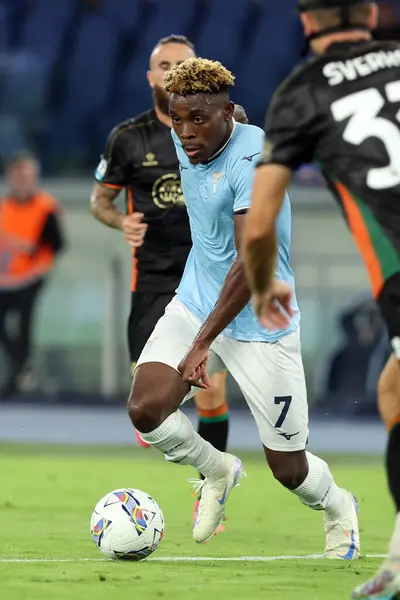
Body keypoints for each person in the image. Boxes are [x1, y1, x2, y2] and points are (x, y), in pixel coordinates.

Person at [127, 56, 359, 553]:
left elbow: (250, 265)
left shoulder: (252, 161)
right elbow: (194, 108)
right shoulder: (192, 127)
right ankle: (217, 470)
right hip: (195, 300)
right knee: (146, 408)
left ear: (227, 113)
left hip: (261, 322)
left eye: (199, 120)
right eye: (178, 118)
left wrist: (201, 345)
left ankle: (340, 504)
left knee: (289, 469)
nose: (186, 132)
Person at [242, 0, 400, 595]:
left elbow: (257, 228)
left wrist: (263, 284)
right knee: (393, 387)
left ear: (307, 23)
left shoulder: (303, 92)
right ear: (374, 12)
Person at [91, 35, 247, 529]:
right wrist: (121, 223)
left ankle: (212, 493)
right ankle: (208, 467)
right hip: (153, 281)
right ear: (151, 76)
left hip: (207, 282)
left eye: (181, 64)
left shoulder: (227, 129)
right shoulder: (128, 138)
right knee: (147, 408)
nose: (171, 71)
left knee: (211, 389)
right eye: (163, 65)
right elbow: (100, 201)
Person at [0, 151, 65, 397]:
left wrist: (35, 256)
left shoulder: (44, 207)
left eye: (27, 175)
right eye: (18, 175)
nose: (23, 180)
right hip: (5, 279)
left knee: (24, 324)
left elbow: (56, 241)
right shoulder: (4, 207)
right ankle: (20, 368)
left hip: (30, 277)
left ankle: (19, 373)